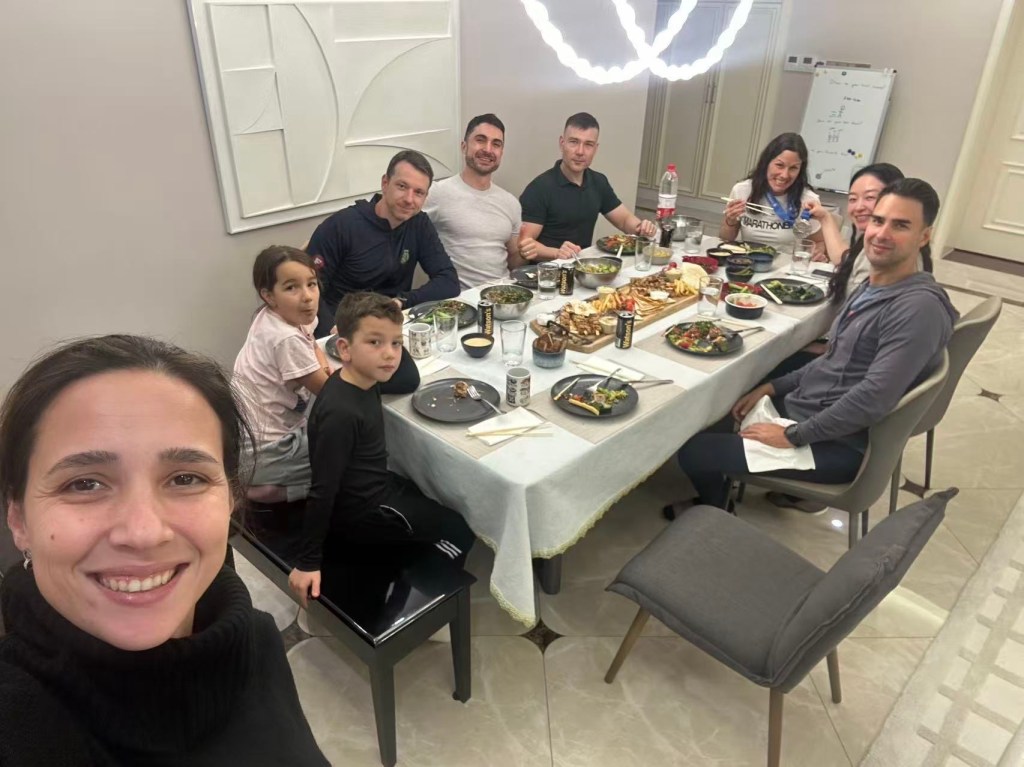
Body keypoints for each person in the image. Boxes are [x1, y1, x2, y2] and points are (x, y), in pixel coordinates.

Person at [0, 335, 328, 766]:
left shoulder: (255, 638)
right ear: (19, 520)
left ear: (231, 497)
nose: (144, 533)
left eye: (185, 478)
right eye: (84, 484)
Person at [675, 179, 958, 512]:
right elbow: (835, 359)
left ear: (924, 236)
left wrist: (793, 436)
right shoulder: (874, 285)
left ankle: (716, 511)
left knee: (693, 452)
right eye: (878, 220)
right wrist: (772, 386)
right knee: (726, 398)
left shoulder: (918, 309)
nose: (882, 234)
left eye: (901, 225)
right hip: (814, 412)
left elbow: (872, 399)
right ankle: (728, 473)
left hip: (840, 446)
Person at [287, 293, 475, 608]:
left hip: (375, 487)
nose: (389, 354)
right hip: (366, 511)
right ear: (344, 349)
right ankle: (426, 597)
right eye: (374, 342)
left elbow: (408, 378)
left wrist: (389, 339)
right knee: (461, 531)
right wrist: (308, 561)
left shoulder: (362, 377)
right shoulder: (341, 412)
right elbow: (322, 489)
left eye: (396, 343)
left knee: (432, 492)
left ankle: (410, 573)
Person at [233, 246, 331, 504]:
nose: (307, 296)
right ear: (268, 295)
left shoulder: (275, 317)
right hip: (268, 450)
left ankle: (261, 480)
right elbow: (332, 393)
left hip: (246, 438)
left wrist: (322, 366)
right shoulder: (284, 338)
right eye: (291, 288)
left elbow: (311, 343)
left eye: (311, 284)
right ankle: (264, 492)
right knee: (351, 457)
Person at [518, 112, 657, 261]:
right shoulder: (539, 188)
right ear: (562, 143)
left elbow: (624, 220)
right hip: (546, 270)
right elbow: (524, 244)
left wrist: (641, 227)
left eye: (588, 145)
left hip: (583, 266)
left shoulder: (598, 182)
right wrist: (557, 253)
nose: (580, 151)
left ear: (595, 149)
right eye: (574, 142)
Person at [424, 114, 525, 288]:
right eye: (480, 140)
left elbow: (514, 263)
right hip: (460, 299)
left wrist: (526, 251)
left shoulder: (511, 202)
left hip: (504, 294)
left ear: (501, 152)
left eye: (496, 144)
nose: (488, 149)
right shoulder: (437, 193)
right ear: (464, 146)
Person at [719, 132, 826, 251]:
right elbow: (725, 238)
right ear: (766, 163)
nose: (784, 175)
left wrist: (818, 252)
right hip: (747, 259)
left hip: (787, 262)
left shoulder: (809, 200)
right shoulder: (742, 190)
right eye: (779, 165)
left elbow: (819, 242)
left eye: (793, 168)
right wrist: (730, 221)